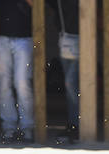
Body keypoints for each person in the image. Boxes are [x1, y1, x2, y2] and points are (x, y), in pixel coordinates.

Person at [0, 0, 33, 143]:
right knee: (4, 83)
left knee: (22, 82)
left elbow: (37, 5)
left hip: (25, 37)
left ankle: (27, 127)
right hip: (0, 37)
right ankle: (9, 127)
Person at [47, 0, 79, 143]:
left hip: (85, 37)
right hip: (66, 38)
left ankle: (78, 125)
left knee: (71, 83)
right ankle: (75, 125)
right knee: (71, 84)